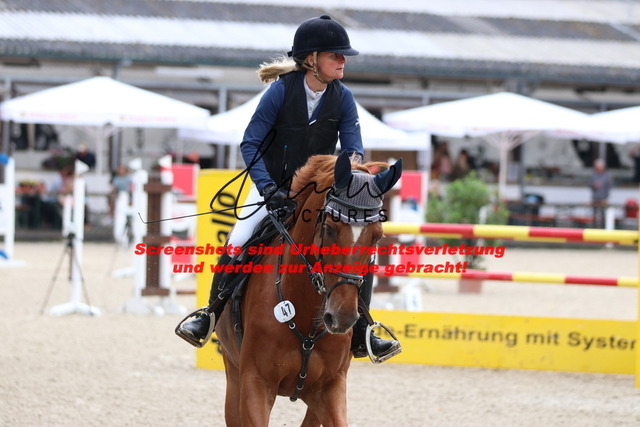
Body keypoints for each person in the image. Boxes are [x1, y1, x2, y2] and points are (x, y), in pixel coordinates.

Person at [176, 15, 401, 361]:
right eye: (335, 55)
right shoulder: (280, 91)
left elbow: (354, 152)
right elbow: (251, 143)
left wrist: (350, 183)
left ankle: (362, 331)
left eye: (343, 56)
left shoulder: (343, 98)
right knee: (238, 241)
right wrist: (269, 190)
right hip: (272, 187)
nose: (343, 61)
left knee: (356, 250)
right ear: (311, 59)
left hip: (319, 192)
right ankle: (208, 315)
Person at [590, 158, 611, 228]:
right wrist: (594, 185)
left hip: (603, 198)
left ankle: (603, 227)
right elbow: (590, 185)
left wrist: (606, 198)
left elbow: (608, 188)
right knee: (594, 214)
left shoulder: (606, 176)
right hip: (595, 198)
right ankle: (594, 227)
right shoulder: (593, 175)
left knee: (603, 214)